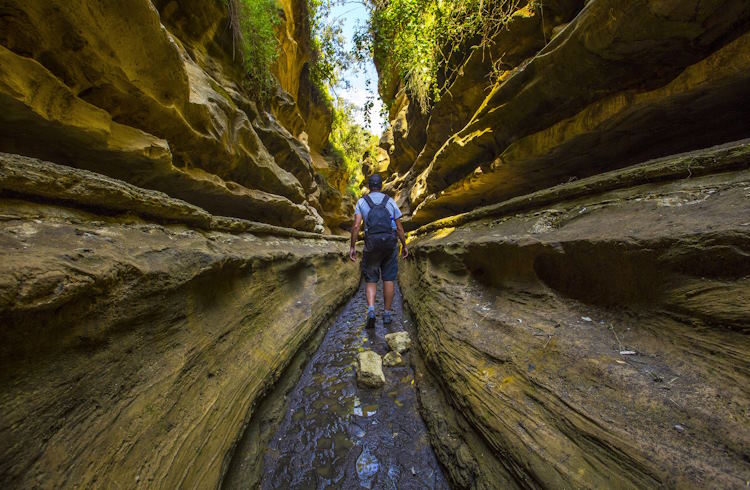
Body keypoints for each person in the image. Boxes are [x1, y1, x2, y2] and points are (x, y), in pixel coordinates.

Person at [349, 174, 408, 328]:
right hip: (389, 244)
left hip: (372, 245)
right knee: (388, 279)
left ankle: (371, 311)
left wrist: (352, 246)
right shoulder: (390, 201)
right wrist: (405, 245)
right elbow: (400, 227)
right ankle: (387, 314)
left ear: (369, 186)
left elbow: (356, 226)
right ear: (381, 186)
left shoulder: (362, 202)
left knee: (371, 279)